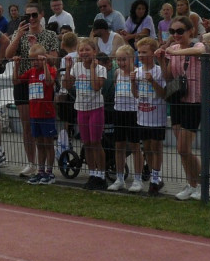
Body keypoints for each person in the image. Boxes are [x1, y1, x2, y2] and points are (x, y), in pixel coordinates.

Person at [155, 16, 208, 200]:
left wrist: (172, 51)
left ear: (190, 31)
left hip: (193, 101)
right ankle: (191, 183)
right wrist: (163, 59)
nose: (176, 35)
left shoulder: (198, 45)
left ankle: (203, 184)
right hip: (178, 100)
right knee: (182, 149)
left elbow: (198, 51)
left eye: (180, 31)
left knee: (183, 148)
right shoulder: (173, 49)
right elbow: (168, 76)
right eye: (172, 32)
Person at [8, 0, 60, 177]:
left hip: (41, 82)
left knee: (42, 125)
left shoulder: (50, 35)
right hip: (24, 80)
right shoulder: (18, 32)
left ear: (41, 15)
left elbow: (54, 59)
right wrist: (18, 37)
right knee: (27, 125)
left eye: (34, 15)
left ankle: (45, 167)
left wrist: (36, 51)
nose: (31, 18)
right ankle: (31, 163)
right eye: (27, 15)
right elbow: (8, 54)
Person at [64, 38, 108, 190]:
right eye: (81, 50)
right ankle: (92, 174)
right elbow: (67, 85)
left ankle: (101, 175)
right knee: (87, 143)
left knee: (96, 142)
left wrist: (94, 69)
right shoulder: (76, 67)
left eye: (87, 50)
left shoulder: (101, 69)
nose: (84, 53)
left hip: (95, 108)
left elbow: (96, 87)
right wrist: (68, 70)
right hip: (81, 109)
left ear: (94, 52)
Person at [13, 44, 58, 185]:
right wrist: (16, 65)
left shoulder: (50, 70)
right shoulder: (30, 72)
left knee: (48, 143)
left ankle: (50, 172)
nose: (35, 62)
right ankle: (41, 170)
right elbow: (16, 81)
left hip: (47, 113)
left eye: (38, 59)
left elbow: (50, 81)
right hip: (34, 114)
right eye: (33, 60)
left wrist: (45, 65)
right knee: (39, 143)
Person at [132, 37, 167, 195]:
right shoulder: (137, 71)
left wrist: (152, 81)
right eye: (139, 52)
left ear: (153, 53)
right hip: (142, 116)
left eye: (144, 52)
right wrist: (133, 82)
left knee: (156, 146)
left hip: (157, 117)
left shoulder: (159, 71)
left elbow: (164, 94)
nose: (141, 55)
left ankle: (155, 177)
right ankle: (153, 175)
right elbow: (135, 94)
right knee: (146, 147)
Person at [108, 45, 142, 191]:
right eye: (119, 60)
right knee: (119, 146)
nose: (121, 63)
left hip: (133, 113)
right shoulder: (117, 73)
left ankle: (138, 179)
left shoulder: (138, 73)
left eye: (124, 59)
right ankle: (120, 178)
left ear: (132, 58)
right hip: (119, 111)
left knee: (135, 146)